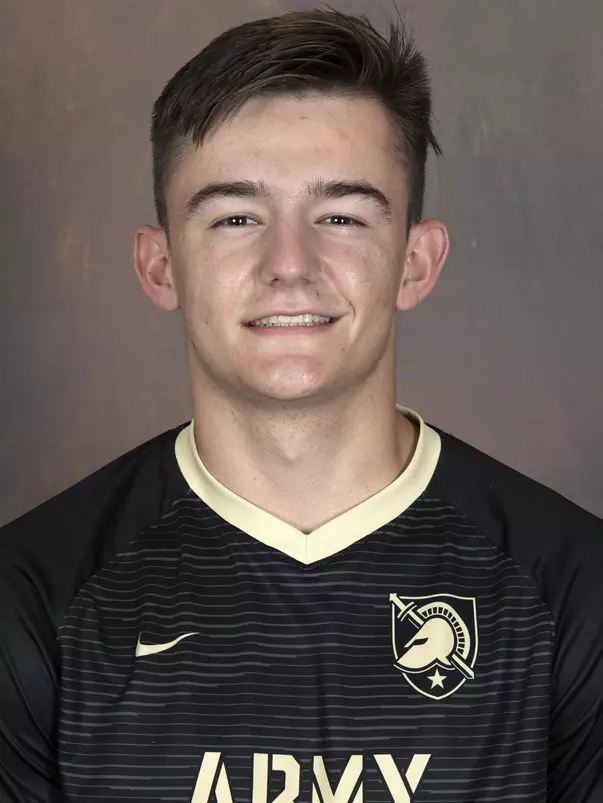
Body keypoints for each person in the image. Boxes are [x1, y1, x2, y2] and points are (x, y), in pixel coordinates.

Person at [1, 6, 602, 802]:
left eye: (341, 216)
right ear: (161, 266)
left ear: (416, 263)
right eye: (236, 217)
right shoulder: (32, 597)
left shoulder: (572, 588)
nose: (290, 263)